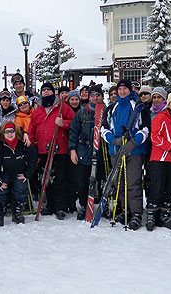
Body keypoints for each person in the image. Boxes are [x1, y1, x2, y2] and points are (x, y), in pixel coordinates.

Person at [101, 79, 149, 230]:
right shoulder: (111, 108)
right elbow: (103, 128)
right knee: (120, 184)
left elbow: (146, 129)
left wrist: (133, 143)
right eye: (119, 89)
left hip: (134, 151)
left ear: (130, 90)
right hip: (116, 150)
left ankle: (136, 213)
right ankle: (124, 209)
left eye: (125, 89)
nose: (122, 92)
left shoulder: (139, 107)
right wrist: (113, 140)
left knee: (133, 183)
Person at [28, 83, 75, 219]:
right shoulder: (37, 110)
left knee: (60, 179)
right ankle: (49, 205)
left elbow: (74, 123)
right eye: (44, 90)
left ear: (53, 92)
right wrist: (33, 145)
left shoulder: (62, 107)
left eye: (49, 90)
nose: (46, 92)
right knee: (45, 179)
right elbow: (32, 129)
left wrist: (63, 123)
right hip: (43, 150)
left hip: (60, 149)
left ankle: (60, 207)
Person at [146, 92, 171, 231]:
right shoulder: (161, 117)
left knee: (170, 188)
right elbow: (155, 137)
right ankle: (151, 213)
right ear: (168, 104)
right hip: (159, 158)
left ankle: (164, 213)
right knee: (157, 186)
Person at [68, 85, 104, 220]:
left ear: (102, 96)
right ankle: (84, 205)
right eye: (92, 95)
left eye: (98, 95)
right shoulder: (81, 113)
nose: (95, 98)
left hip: (101, 153)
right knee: (83, 181)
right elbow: (73, 133)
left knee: (100, 180)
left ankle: (100, 204)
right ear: (88, 97)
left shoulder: (107, 112)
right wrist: (72, 150)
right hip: (84, 151)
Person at [0, 122, 37, 225]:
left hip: (19, 172)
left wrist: (27, 174)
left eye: (12, 131)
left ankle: (17, 212)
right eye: (7, 132)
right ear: (3, 133)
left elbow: (33, 158)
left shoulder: (23, 143)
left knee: (20, 187)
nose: (10, 134)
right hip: (4, 172)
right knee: (0, 189)